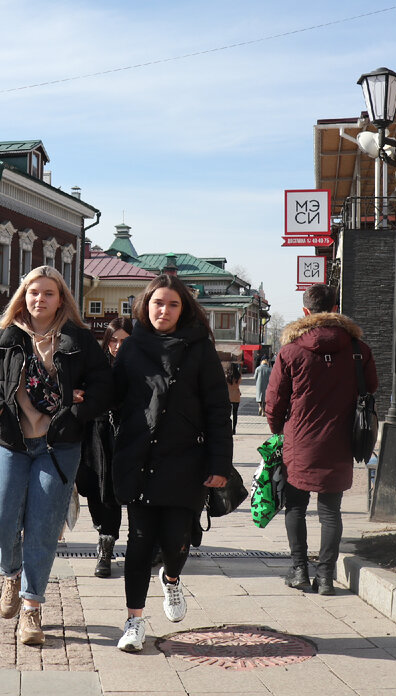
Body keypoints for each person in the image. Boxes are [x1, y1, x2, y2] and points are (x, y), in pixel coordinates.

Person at [0, 266, 111, 647]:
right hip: (12, 441)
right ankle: (11, 574)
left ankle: (31, 609)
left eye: (48, 293)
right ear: (24, 295)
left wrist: (78, 407)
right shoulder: (4, 337)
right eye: (34, 292)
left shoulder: (79, 339)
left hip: (58, 445)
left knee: (43, 527)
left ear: (61, 298)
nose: (40, 299)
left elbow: (103, 386)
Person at [111, 273, 233, 653]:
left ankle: (173, 579)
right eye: (158, 303)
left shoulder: (199, 348)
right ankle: (134, 621)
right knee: (139, 541)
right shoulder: (132, 348)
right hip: (141, 457)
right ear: (146, 306)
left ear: (184, 309)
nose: (164, 310)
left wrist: (220, 464)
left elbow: (217, 408)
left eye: (173, 304)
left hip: (186, 460)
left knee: (178, 540)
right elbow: (113, 396)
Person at [265, 283, 377, 596]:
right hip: (341, 439)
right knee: (331, 511)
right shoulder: (358, 349)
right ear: (335, 307)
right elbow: (371, 386)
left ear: (305, 311)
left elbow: (274, 400)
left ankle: (299, 570)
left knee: (296, 507)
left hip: (299, 439)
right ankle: (326, 577)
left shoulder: (290, 351)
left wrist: (277, 430)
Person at [76, 316, 130, 578]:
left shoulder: (141, 367)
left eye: (124, 340)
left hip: (129, 437)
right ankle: (104, 540)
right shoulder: (96, 365)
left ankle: (119, 547)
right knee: (97, 491)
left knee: (120, 493)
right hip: (96, 435)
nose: (117, 346)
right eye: (113, 340)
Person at [225, 362, 242, 433]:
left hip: (228, 396)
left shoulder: (226, 376)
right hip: (236, 396)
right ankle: (234, 429)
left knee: (227, 414)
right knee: (235, 414)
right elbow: (238, 385)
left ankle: (227, 428)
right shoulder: (238, 376)